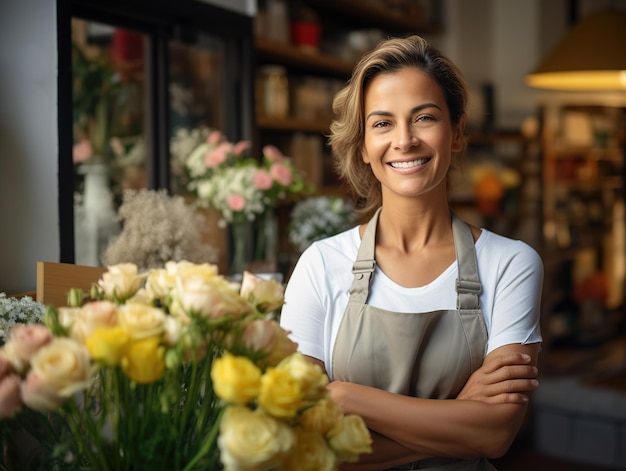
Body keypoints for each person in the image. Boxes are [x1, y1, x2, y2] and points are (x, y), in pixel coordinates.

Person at [280, 35, 543, 471]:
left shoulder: (510, 264)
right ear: (363, 146)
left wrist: (345, 397)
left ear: (456, 133)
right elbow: (298, 443)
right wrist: (459, 422)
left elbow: (496, 434)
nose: (405, 140)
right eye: (382, 123)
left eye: (424, 118)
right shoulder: (321, 265)